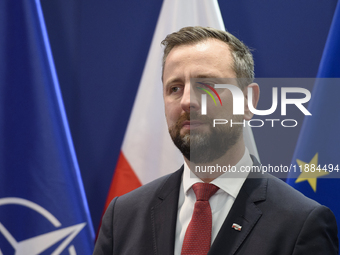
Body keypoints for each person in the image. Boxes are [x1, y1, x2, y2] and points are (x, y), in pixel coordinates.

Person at [93, 26, 338, 255]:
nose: (187, 101)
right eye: (175, 88)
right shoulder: (122, 217)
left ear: (249, 101)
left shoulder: (301, 223)